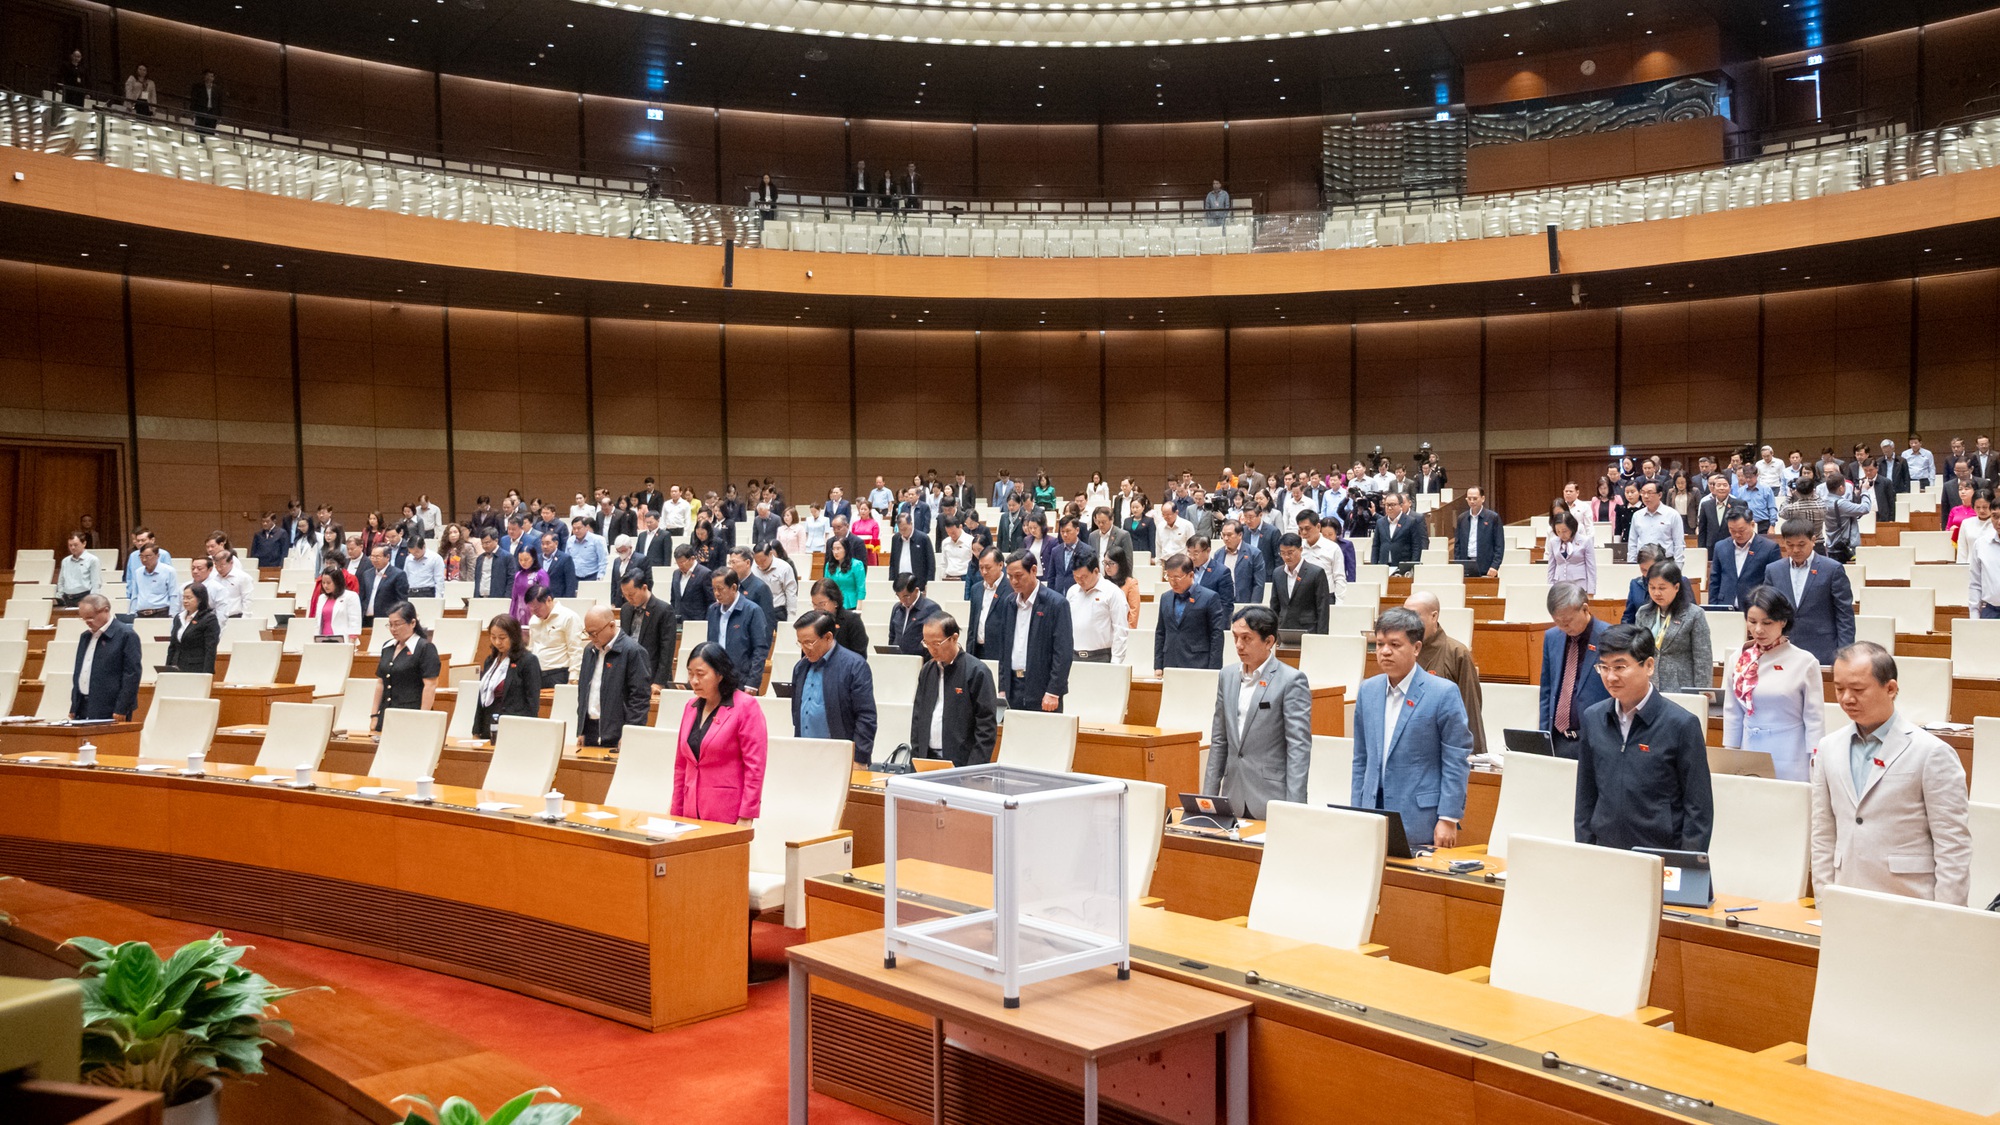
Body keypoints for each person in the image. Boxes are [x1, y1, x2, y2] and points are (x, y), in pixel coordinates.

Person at [1810, 642, 1971, 905]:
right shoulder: (1828, 748)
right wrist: (1824, 901)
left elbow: (1952, 845)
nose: (1846, 698)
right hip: (1846, 895)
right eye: (1839, 688)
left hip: (1910, 900)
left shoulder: (1932, 752)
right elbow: (1823, 834)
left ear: (1891, 689)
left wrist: (1946, 916)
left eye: (1858, 689)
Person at [1573, 624, 1713, 852]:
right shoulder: (1593, 718)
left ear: (1648, 666)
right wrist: (1585, 849)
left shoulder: (1681, 724)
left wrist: (1685, 864)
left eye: (1620, 667)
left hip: (1660, 853)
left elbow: (1698, 808)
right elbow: (1585, 796)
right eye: (1604, 667)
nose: (1610, 677)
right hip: (1605, 850)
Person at [1351, 607, 1475, 848]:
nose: (1385, 651)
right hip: (1371, 810)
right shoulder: (1368, 690)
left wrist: (1448, 818)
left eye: (1395, 644)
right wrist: (1356, 808)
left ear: (1416, 648)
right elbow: (1361, 758)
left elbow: (1455, 759)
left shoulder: (1443, 692)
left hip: (1420, 817)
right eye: (1380, 644)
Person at [1197, 605, 1313, 818]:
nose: (1238, 645)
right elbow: (1219, 741)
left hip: (1271, 798)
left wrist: (1295, 809)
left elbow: (1298, 748)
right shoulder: (1227, 676)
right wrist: (1208, 800)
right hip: (1232, 797)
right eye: (1235, 637)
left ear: (1269, 642)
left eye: (1246, 638)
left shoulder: (1291, 680)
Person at [1716, 587, 1825, 782]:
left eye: (1767, 623)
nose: (1758, 630)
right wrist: (1731, 753)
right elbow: (1732, 712)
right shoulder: (1738, 659)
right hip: (1750, 750)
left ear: (1782, 621)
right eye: (1752, 622)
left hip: (1791, 752)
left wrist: (1815, 760)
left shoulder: (1805, 662)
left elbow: (1814, 719)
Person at [672, 643, 768, 826]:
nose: (694, 680)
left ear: (720, 674)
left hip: (727, 810)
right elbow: (681, 765)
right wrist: (676, 811)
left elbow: (755, 766)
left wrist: (747, 815)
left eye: (700, 674)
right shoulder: (690, 707)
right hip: (689, 810)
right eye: (690, 674)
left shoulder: (746, 706)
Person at [1405, 591, 1486, 758]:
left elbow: (1470, 708)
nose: (1408, 624)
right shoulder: (1401, 651)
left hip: (1444, 747)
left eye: (1415, 617)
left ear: (1434, 616)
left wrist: (1473, 756)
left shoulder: (1457, 653)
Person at [790, 610, 878, 764]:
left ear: (828, 637)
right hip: (804, 754)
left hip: (840, 758)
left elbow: (866, 717)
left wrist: (859, 758)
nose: (804, 648)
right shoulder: (800, 667)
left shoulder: (854, 666)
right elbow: (796, 713)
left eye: (809, 642)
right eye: (800, 643)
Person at [910, 614, 998, 766]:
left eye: (936, 643)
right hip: (927, 758)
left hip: (961, 763)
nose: (931, 649)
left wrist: (973, 770)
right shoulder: (927, 670)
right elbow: (918, 719)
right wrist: (916, 759)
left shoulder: (977, 672)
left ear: (954, 638)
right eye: (926, 643)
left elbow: (986, 728)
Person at [1765, 518, 1854, 665]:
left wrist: (1845, 654)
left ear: (1813, 540)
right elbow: (1768, 610)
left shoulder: (1832, 569)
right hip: (1783, 650)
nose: (1795, 550)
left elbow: (1844, 615)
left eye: (1801, 544)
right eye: (1790, 545)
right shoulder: (1773, 570)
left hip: (1823, 649)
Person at [1540, 581, 1612, 755]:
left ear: (1585, 609)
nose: (1564, 627)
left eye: (1568, 621)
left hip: (1596, 740)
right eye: (1557, 622)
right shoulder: (1552, 637)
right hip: (1558, 739)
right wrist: (1543, 736)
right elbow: (1547, 690)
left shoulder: (1609, 637)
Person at [996, 549, 1072, 713]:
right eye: (1010, 576)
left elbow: (1062, 652)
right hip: (1012, 687)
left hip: (1043, 689)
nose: (1014, 581)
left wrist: (1054, 691)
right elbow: (1004, 649)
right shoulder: (1009, 603)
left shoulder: (1056, 604)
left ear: (1033, 570)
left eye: (1018, 576)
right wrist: (1002, 687)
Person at [576, 606, 652, 750]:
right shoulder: (589, 651)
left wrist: (630, 733)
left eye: (594, 633)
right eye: (588, 633)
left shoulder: (634, 652)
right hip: (590, 732)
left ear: (611, 625)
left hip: (618, 735)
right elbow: (583, 691)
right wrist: (581, 729)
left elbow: (639, 699)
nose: (591, 638)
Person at [1635, 561, 1711, 695]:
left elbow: (1703, 659)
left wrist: (1702, 693)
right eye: (1652, 587)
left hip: (1681, 687)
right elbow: (1637, 653)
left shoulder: (1694, 614)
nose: (1656, 593)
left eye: (1662, 588)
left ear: (1676, 587)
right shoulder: (1643, 613)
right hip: (1649, 686)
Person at [68, 595, 141, 722]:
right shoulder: (85, 637)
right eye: (83, 618)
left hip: (111, 708)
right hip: (83, 706)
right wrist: (74, 705)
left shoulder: (126, 635)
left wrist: (122, 708)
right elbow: (80, 672)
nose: (87, 622)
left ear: (105, 610)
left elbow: (132, 675)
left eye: (90, 617)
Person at [472, 614, 544, 740]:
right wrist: (476, 731)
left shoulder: (528, 661)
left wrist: (529, 732)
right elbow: (482, 697)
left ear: (513, 636)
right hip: (488, 726)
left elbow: (532, 703)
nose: (497, 642)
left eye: (502, 638)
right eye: (493, 637)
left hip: (515, 728)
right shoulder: (490, 661)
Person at [371, 603, 439, 731]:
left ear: (412, 623)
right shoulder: (387, 647)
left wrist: (422, 718)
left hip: (411, 714)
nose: (393, 629)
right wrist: (374, 715)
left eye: (397, 624)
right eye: (390, 625)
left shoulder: (425, 648)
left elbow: (430, 686)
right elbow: (380, 683)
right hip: (387, 714)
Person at [1154, 552, 1227, 670]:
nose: (1172, 582)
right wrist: (1158, 666)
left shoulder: (1209, 597)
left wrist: (1213, 669)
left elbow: (1216, 635)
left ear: (1191, 575)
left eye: (1177, 577)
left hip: (1198, 663)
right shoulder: (1165, 598)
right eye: (1169, 577)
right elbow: (1160, 633)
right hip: (1170, 662)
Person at [708, 569, 771, 694]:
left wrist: (753, 682)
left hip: (742, 681)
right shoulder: (712, 610)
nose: (716, 593)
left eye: (720, 589)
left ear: (733, 587)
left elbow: (760, 650)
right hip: (717, 680)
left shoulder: (752, 611)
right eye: (714, 589)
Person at [1709, 509, 1781, 611]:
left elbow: (1774, 583)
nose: (1737, 535)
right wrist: (1713, 607)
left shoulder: (1769, 548)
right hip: (1725, 606)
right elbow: (1715, 580)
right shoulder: (1720, 547)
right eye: (1732, 531)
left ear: (1752, 525)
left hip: (1755, 608)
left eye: (1741, 530)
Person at [1064, 549, 1126, 664]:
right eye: (1076, 577)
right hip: (1074, 655)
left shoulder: (1112, 592)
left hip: (1101, 656)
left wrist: (1116, 662)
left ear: (1096, 571)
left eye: (1084, 577)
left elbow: (1120, 629)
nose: (1080, 581)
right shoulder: (1072, 592)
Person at [619, 569, 678, 687]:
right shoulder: (625, 609)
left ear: (644, 588)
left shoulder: (664, 610)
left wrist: (659, 682)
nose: (628, 599)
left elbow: (667, 650)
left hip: (652, 675)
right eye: (625, 595)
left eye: (631, 595)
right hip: (629, 673)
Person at [1269, 533, 1331, 635]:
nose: (1286, 557)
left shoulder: (1316, 573)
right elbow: (1274, 606)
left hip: (1309, 629)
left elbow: (1323, 608)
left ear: (1301, 549)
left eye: (1290, 552)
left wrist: (1321, 636)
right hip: (1283, 628)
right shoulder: (1277, 573)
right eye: (1282, 553)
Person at [526, 585, 584, 688]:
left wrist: (573, 678)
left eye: (537, 608)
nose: (534, 612)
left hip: (558, 674)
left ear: (548, 600)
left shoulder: (569, 617)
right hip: (536, 673)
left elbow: (575, 650)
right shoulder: (534, 620)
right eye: (531, 609)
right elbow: (531, 647)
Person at [165, 582, 220, 674]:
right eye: (184, 598)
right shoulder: (178, 618)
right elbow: (172, 647)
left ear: (200, 599)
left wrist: (207, 674)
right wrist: (166, 670)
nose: (185, 601)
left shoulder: (209, 619)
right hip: (176, 667)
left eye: (189, 598)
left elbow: (210, 650)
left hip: (196, 669)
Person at [810, 579, 870, 656]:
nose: (817, 609)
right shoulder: (812, 623)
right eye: (814, 605)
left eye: (822, 604)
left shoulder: (852, 620)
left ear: (835, 602)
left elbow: (859, 656)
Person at [886, 573, 940, 658]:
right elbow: (892, 636)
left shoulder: (931, 609)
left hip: (921, 660)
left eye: (906, 596)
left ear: (916, 590)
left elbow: (935, 640)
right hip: (898, 660)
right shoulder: (897, 608)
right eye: (899, 596)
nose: (902, 600)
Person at [1454, 487, 1504, 578]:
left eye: (1475, 498)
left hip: (1487, 566)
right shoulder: (1462, 518)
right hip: (1466, 564)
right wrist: (1458, 564)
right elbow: (1457, 545)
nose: (1472, 501)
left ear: (1483, 498)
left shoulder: (1493, 517)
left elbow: (1499, 545)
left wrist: (1495, 566)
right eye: (1469, 499)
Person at [1544, 511, 1596, 592]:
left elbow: (1591, 568)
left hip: (1579, 586)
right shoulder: (1553, 542)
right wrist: (1549, 589)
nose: (1561, 534)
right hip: (1559, 586)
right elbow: (1551, 567)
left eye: (1564, 531)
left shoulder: (1585, 541)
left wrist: (1591, 591)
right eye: (1558, 531)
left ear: (1572, 528)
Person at [358, 544, 408, 627]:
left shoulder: (398, 574)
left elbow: (401, 601)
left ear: (387, 557)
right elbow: (362, 596)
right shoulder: (367, 574)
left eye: (377, 557)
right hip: (366, 619)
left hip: (385, 619)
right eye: (372, 557)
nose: (374, 560)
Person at [307, 567, 362, 640]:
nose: (325, 586)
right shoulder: (322, 598)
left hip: (343, 640)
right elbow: (317, 622)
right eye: (323, 583)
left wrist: (351, 641)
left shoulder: (351, 596)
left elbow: (354, 622)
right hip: (322, 639)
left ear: (337, 582)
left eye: (328, 583)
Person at [669, 543, 716, 624]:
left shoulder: (704, 573)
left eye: (682, 562)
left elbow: (711, 601)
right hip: (678, 621)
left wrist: (706, 621)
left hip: (697, 621)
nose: (680, 566)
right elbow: (674, 599)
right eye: (678, 563)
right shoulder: (676, 573)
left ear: (692, 558)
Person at [127, 544, 177, 617]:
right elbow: (135, 594)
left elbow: (173, 594)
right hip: (141, 613)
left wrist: (173, 615)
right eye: (141, 556)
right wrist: (132, 613)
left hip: (161, 612)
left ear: (157, 556)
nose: (144, 559)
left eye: (148, 556)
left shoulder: (169, 571)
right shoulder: (138, 572)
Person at [53, 533, 101, 607]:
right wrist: (59, 596)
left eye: (75, 545)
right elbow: (61, 581)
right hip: (67, 598)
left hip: (84, 597)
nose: (72, 548)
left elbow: (96, 583)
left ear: (84, 544)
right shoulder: (65, 561)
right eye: (70, 545)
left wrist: (92, 601)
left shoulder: (92, 560)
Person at [508, 545, 546, 625]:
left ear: (533, 558)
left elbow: (544, 597)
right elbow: (514, 598)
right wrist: (511, 616)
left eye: (526, 559)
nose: (523, 562)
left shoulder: (541, 574)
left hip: (534, 610)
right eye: (520, 560)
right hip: (519, 611)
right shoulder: (518, 575)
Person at [189, 69, 221, 134]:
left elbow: (219, 103)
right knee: (199, 132)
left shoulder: (217, 89)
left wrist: (219, 116)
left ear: (213, 78)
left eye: (211, 76)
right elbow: (193, 100)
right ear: (204, 76)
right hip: (201, 112)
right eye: (208, 76)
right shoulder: (197, 87)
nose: (209, 78)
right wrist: (192, 112)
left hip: (212, 113)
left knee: (210, 133)